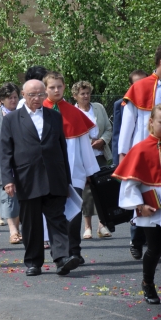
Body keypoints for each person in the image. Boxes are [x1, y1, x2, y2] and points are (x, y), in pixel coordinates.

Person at [0, 79, 80, 277]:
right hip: (27, 177)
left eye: (40, 95)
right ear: (23, 96)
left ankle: (62, 259)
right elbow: (5, 152)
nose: (36, 99)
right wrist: (7, 179)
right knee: (31, 222)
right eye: (32, 95)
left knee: (58, 219)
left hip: (55, 176)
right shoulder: (12, 120)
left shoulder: (54, 116)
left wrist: (67, 179)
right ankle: (33, 262)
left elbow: (62, 148)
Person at [43, 72, 100, 264]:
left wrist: (90, 171)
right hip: (48, 172)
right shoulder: (38, 112)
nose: (56, 90)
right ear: (46, 89)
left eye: (59, 86)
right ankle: (59, 253)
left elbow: (84, 144)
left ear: (64, 87)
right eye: (52, 87)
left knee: (75, 211)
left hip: (74, 171)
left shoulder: (75, 113)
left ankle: (74, 250)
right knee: (54, 212)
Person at [115, 103, 161, 305]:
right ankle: (148, 283)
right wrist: (139, 206)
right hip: (152, 210)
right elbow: (129, 185)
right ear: (151, 122)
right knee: (155, 249)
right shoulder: (141, 149)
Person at [112, 69, 148, 259]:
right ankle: (136, 241)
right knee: (137, 198)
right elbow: (119, 132)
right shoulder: (123, 103)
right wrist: (120, 158)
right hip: (136, 156)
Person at [71, 80, 113, 239]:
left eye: (88, 92)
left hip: (101, 154)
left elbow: (108, 128)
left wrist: (102, 140)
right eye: (82, 93)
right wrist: (89, 144)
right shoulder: (73, 111)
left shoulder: (99, 108)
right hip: (83, 155)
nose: (86, 96)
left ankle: (102, 225)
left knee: (103, 189)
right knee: (87, 192)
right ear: (75, 96)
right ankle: (87, 227)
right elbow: (75, 135)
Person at [0, 82, 22, 242]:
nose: (13, 100)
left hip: (22, 160)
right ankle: (13, 231)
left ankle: (17, 228)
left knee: (19, 195)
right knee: (7, 195)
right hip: (1, 161)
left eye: (15, 97)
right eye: (9, 98)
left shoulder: (23, 114)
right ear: (1, 99)